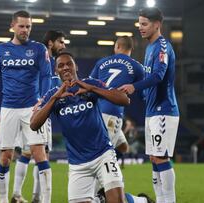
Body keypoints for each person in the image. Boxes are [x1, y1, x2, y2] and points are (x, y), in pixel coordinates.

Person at [31, 52, 153, 203]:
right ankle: (140, 201)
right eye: (61, 65)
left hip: (103, 155)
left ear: (76, 66)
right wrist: (55, 98)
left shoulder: (91, 84)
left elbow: (124, 99)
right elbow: (33, 124)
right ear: (56, 71)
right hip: (78, 164)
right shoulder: (52, 95)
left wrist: (92, 89)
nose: (66, 68)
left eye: (69, 63)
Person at [0, 10, 52, 203]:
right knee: (6, 156)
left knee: (39, 154)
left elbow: (46, 76)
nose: (25, 30)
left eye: (29, 26)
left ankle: (45, 200)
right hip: (8, 109)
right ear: (13, 26)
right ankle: (3, 200)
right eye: (22, 26)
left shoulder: (39, 49)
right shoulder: (0, 50)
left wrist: (43, 101)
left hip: (32, 109)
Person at [119, 7, 180, 203]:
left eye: (144, 24)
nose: (140, 28)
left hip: (164, 109)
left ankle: (168, 200)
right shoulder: (149, 47)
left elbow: (158, 75)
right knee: (154, 158)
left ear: (157, 25)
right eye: (139, 24)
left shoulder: (162, 46)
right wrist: (143, 92)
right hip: (152, 110)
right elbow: (149, 78)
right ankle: (160, 200)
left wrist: (134, 87)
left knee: (161, 158)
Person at [11, 30, 66, 203]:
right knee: (39, 154)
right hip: (37, 113)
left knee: (30, 153)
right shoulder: (44, 60)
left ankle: (20, 195)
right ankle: (32, 197)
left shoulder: (49, 62)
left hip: (34, 112)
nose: (63, 46)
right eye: (61, 42)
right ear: (50, 43)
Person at [90, 36, 144, 168]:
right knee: (103, 155)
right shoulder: (136, 66)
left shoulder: (102, 62)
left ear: (118, 46)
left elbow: (89, 83)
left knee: (123, 147)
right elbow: (143, 93)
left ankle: (110, 176)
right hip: (113, 112)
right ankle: (98, 187)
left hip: (98, 111)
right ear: (131, 49)